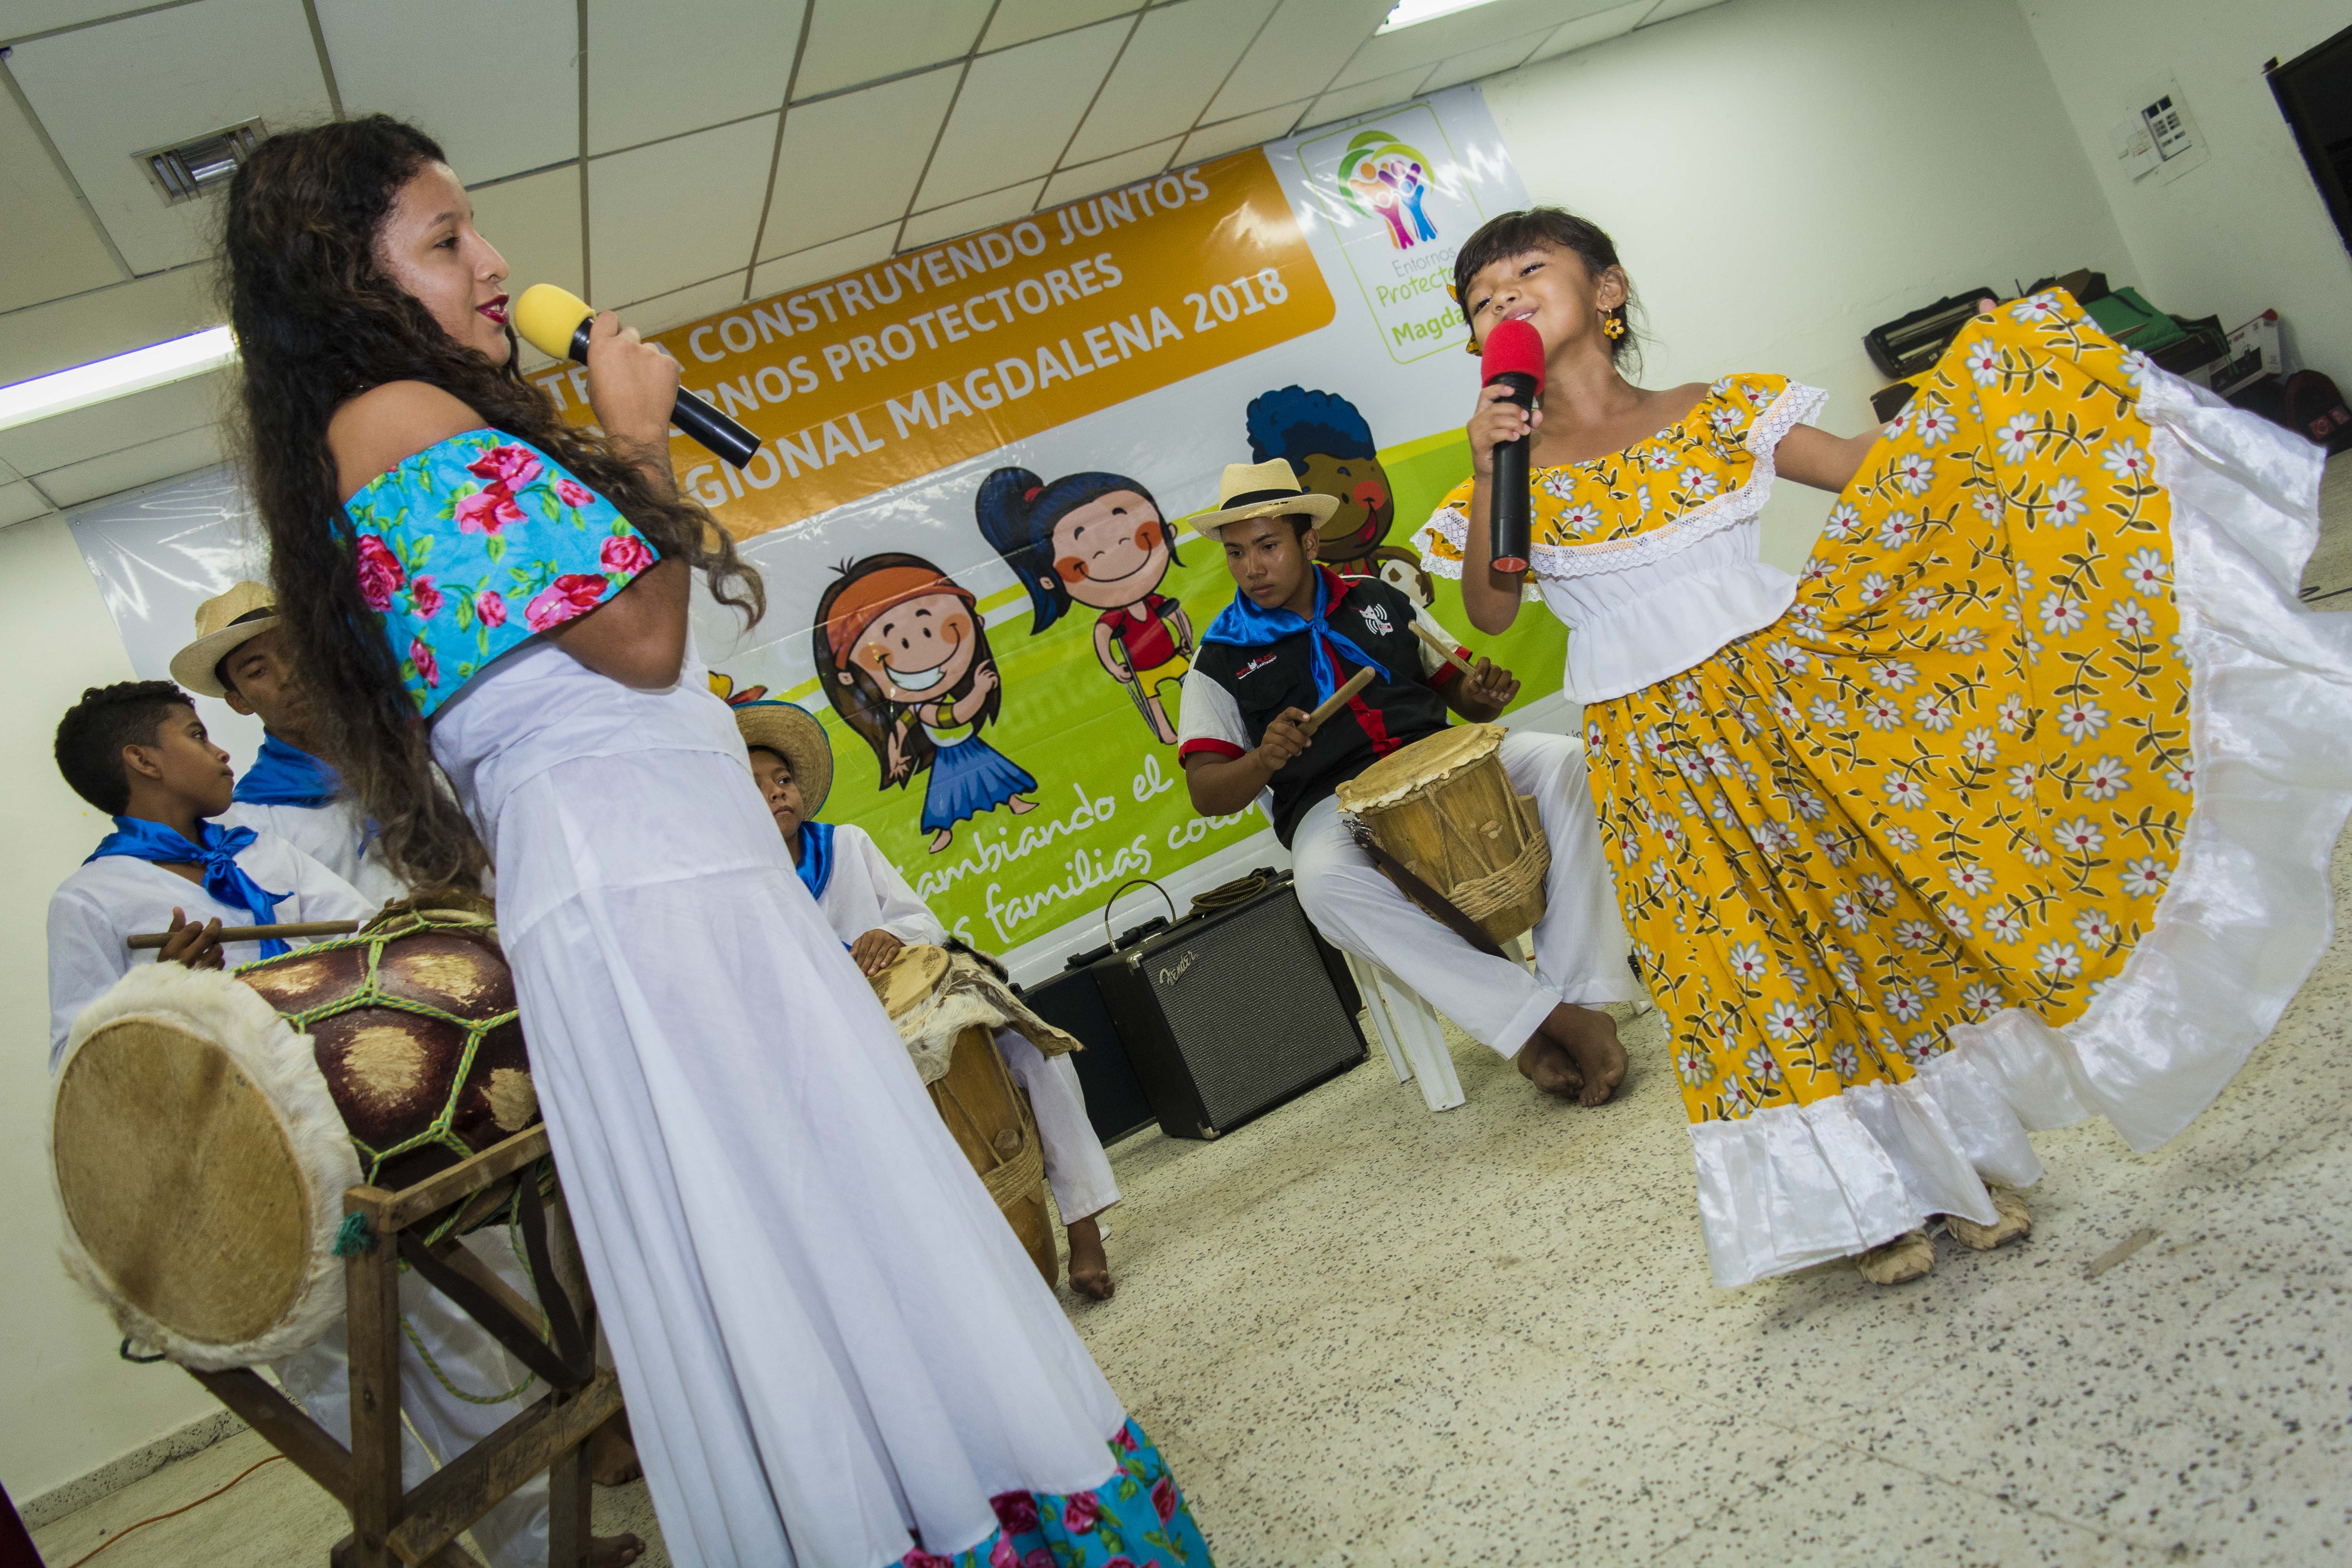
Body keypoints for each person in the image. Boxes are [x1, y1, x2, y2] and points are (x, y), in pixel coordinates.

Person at [224, 115, 1210, 1567]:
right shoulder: (396, 422)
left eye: (474, 227)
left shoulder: (404, 432)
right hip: (647, 892)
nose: (494, 260)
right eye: (445, 241)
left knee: (807, 1241)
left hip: (660, 880)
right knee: (805, 1227)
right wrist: (633, 436)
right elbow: (638, 633)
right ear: (339, 279)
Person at [1417, 207, 2352, 1289]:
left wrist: (1987, 387)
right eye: (1484, 297)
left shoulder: (1720, 411)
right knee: (1747, 970)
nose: (1509, 296)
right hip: (1652, 756)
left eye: (1531, 270)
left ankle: (1960, 1169)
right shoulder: (1507, 466)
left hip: (1796, 710)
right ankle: (1863, 1205)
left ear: (1610, 292)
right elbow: (1490, 610)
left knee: (1872, 931)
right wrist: (1493, 470)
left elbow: (1873, 468)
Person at [41, 681, 595, 1568]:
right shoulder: (94, 900)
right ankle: (437, 1557)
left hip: (369, 1157)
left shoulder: (260, 849)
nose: (221, 751)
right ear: (141, 761)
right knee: (346, 1393)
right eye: (193, 733)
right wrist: (157, 992)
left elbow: (365, 940)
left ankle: (542, 1550)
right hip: (245, 1189)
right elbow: (83, 1062)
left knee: (467, 1353)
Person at [1176, 459, 1641, 1103]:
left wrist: (1482, 694)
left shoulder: (1379, 599)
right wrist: (1262, 762)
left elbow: (1462, 696)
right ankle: (1536, 1023)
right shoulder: (1218, 659)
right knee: (1323, 885)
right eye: (1236, 554)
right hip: (1335, 806)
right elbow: (1207, 793)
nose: (1252, 568)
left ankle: (1580, 991)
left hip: (1444, 754)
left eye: (1267, 546)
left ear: (1309, 542)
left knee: (1565, 761)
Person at [734, 699, 1124, 1300]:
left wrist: (891, 933)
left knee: (1035, 1050)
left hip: (925, 1016)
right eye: (756, 788)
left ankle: (1084, 1222)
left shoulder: (846, 845)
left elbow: (922, 922)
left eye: (782, 780)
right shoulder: (742, 896)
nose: (777, 793)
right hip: (841, 1051)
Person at [172, 580, 407, 904]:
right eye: (257, 672)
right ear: (239, 702)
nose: (288, 676)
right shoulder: (253, 822)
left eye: (294, 653)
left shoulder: (404, 754)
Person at [974, 466, 1192, 744]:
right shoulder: (1114, 617)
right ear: (1050, 581)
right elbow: (1102, 637)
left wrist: (1186, 639)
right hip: (1143, 670)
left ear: (1168, 532)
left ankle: (1202, 723)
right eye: (1085, 560)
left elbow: (1175, 613)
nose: (1113, 551)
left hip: (1173, 657)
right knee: (1153, 701)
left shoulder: (1155, 601)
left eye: (1142, 536)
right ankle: (1166, 732)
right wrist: (1114, 667)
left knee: (1194, 687)